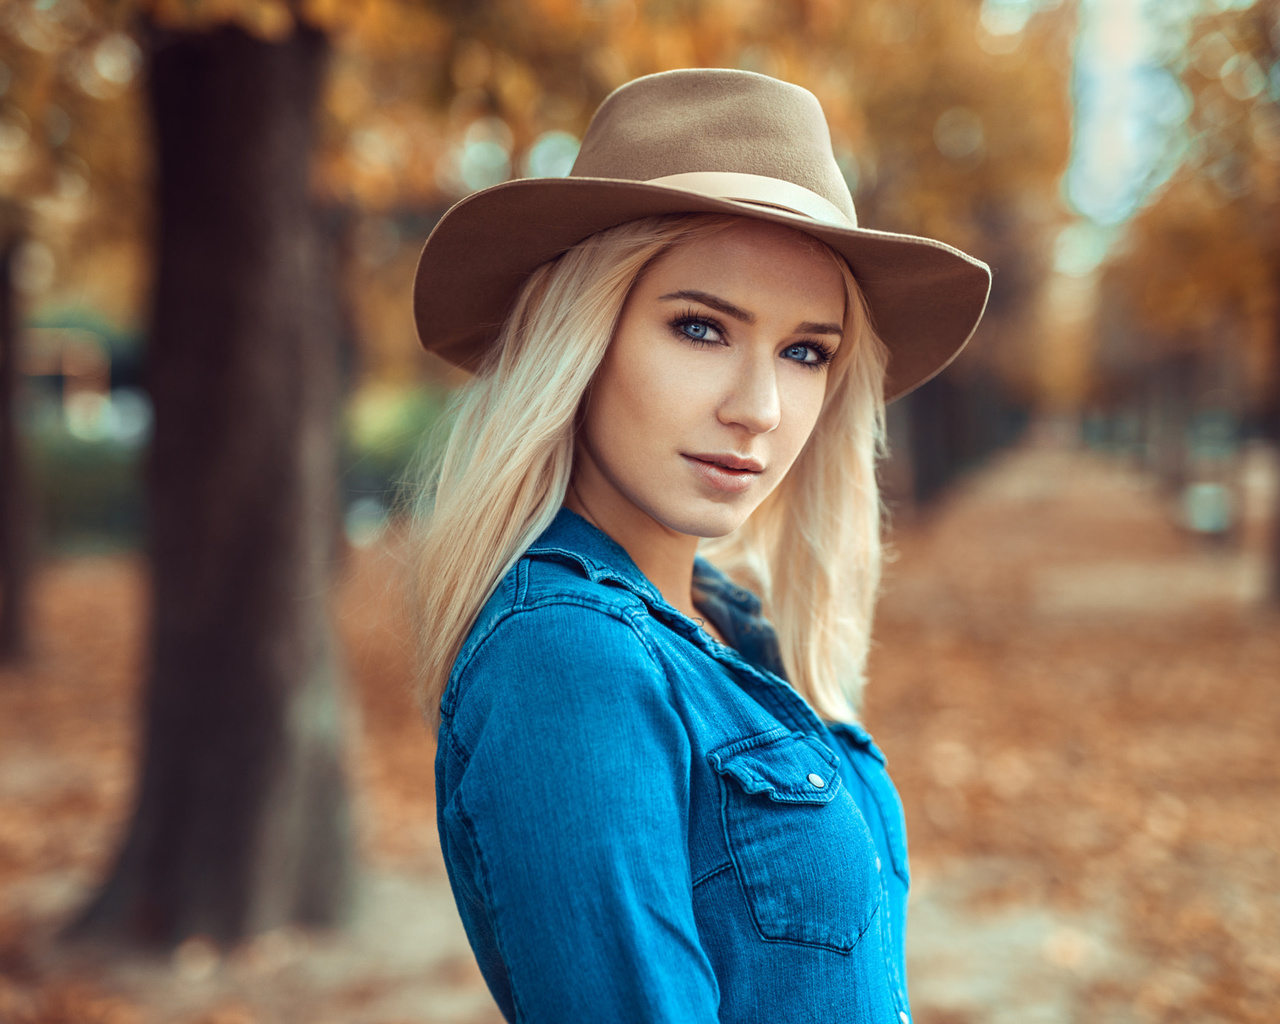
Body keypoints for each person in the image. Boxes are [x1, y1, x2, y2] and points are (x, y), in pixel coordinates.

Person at [407, 68, 990, 1023]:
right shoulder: (569, 658)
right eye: (700, 327)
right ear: (581, 337)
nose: (758, 409)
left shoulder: (719, 628)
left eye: (807, 351)